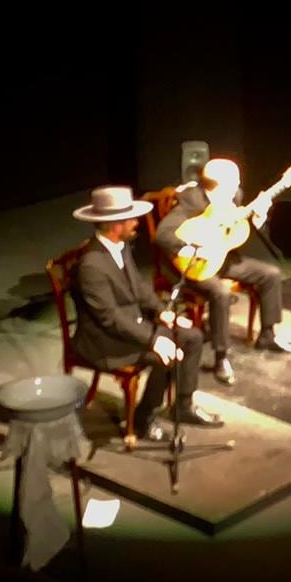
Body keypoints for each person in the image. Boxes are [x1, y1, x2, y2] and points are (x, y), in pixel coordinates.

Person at [70, 186, 221, 439]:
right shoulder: (91, 266)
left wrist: (163, 312)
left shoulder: (119, 246)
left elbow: (139, 287)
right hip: (106, 340)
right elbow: (109, 318)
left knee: (192, 337)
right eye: (130, 218)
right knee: (167, 354)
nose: (135, 222)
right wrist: (153, 340)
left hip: (131, 325)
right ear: (115, 225)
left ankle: (183, 405)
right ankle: (144, 417)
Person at [154, 158, 291, 385]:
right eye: (235, 182)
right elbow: (163, 235)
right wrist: (194, 248)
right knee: (221, 293)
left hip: (220, 257)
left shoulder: (235, 197)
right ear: (219, 186)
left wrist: (259, 216)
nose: (239, 186)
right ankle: (221, 356)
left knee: (270, 274)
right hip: (191, 265)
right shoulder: (192, 200)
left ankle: (267, 335)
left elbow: (237, 225)